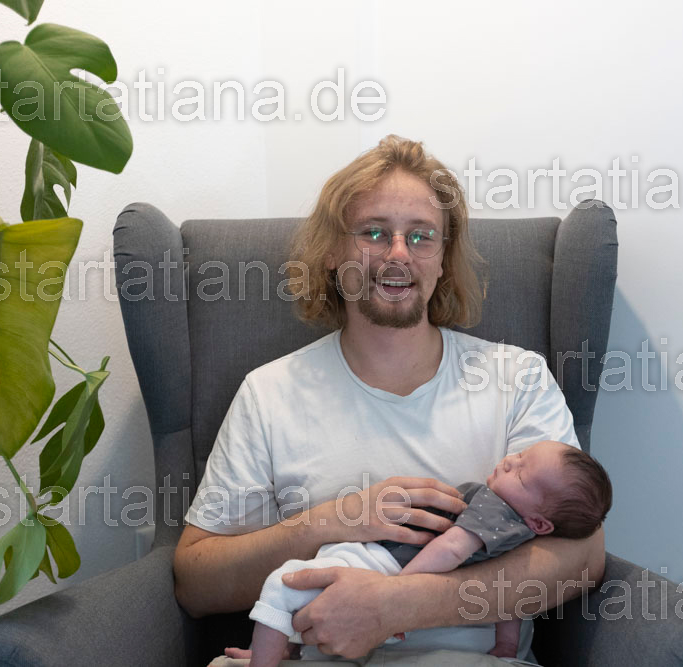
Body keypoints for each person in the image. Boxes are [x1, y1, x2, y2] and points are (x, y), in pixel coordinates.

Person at [173, 135, 607, 664]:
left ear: (443, 259)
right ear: (332, 252)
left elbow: (583, 556)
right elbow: (196, 584)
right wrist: (334, 520)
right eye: (373, 233)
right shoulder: (268, 393)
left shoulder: (517, 379)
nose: (398, 254)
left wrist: (396, 606)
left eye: (421, 236)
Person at [244, 441, 613, 667]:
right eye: (519, 455)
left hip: (391, 566)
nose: (509, 462)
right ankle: (281, 650)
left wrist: (396, 593)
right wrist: (506, 644)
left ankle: (267, 658)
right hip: (389, 571)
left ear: (541, 522)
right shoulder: (523, 536)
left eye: (521, 475)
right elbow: (513, 604)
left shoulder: (495, 506)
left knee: (283, 585)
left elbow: (449, 548)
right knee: (306, 600)